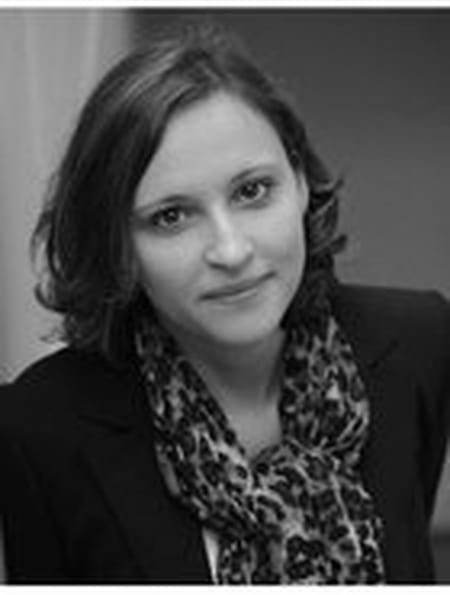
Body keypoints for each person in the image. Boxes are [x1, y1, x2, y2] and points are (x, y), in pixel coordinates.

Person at [0, 20, 449, 585]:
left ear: (300, 181)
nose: (231, 251)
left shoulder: (417, 344)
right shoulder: (41, 427)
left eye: (252, 191)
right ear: (118, 243)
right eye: (170, 217)